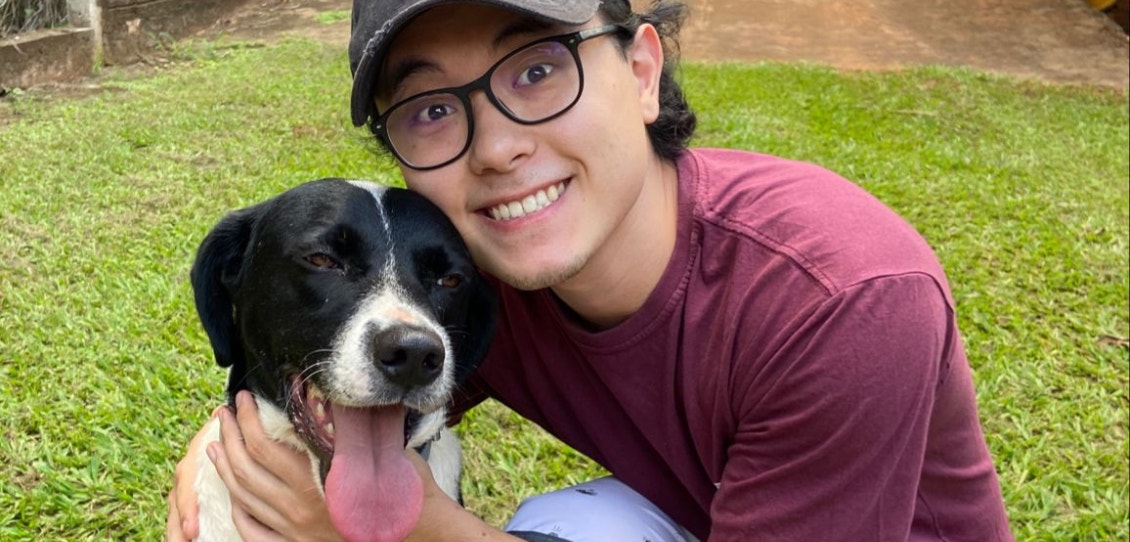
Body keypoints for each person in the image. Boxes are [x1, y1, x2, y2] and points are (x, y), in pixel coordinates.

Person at [166, 0, 1016, 540]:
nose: (498, 148)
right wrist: (227, 442)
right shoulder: (473, 282)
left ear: (643, 70)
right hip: (694, 517)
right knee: (566, 524)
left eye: (538, 69)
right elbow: (357, 375)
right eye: (431, 109)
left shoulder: (843, 297)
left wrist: (424, 531)